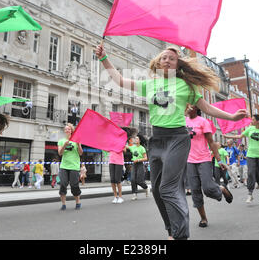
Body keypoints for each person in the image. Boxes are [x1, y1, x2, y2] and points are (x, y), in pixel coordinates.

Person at [95, 43, 248, 240]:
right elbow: (119, 80)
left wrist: (233, 118)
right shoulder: (149, 84)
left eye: (172, 58)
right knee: (158, 191)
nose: (166, 60)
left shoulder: (186, 86)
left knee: (168, 188)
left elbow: (207, 108)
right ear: (158, 62)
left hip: (177, 138)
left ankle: (180, 234)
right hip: (156, 141)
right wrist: (103, 58)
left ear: (177, 65)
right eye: (164, 57)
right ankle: (171, 230)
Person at [185, 104, 233, 228]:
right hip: (189, 160)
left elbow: (211, 142)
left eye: (190, 104)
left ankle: (220, 190)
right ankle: (203, 218)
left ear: (196, 108)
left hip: (204, 159)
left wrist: (219, 160)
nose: (187, 106)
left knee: (207, 188)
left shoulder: (203, 122)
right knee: (195, 190)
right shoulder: (182, 121)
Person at [225, 115, 259, 203]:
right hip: (251, 155)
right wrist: (228, 137)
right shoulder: (250, 129)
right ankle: (250, 194)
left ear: (258, 121)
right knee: (250, 173)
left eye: (253, 120)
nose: (251, 121)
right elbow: (240, 136)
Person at [58, 123, 83, 210]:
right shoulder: (61, 141)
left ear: (71, 130)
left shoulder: (76, 140)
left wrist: (79, 144)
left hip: (74, 166)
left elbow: (80, 153)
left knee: (74, 185)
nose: (67, 130)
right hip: (64, 166)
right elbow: (60, 153)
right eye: (66, 129)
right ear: (64, 131)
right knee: (63, 184)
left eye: (69, 129)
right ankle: (63, 204)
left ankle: (78, 202)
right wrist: (65, 145)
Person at [127, 136, 149, 201]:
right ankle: (134, 194)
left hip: (140, 164)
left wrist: (138, 160)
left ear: (139, 140)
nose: (135, 140)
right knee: (133, 179)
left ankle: (146, 188)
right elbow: (125, 147)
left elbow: (146, 158)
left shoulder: (142, 148)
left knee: (139, 181)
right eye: (135, 139)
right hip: (134, 164)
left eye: (137, 139)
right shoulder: (132, 147)